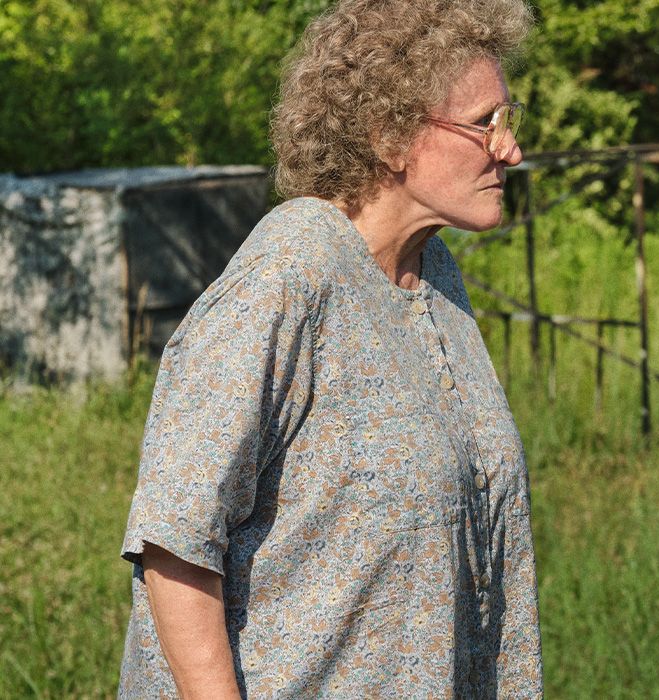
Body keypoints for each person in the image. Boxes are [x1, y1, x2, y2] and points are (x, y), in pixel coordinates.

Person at [117, 0, 542, 696]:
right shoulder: (288, 278)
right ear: (387, 135)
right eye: (482, 124)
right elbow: (177, 540)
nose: (510, 148)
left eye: (508, 119)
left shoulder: (433, 274)